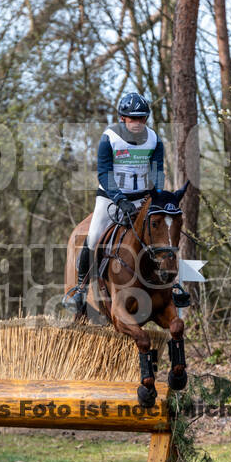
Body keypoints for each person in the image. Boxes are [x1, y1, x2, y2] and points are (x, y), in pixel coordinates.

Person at [66, 92, 165, 313]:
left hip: (142, 197)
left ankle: (171, 285)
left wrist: (157, 197)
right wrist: (120, 200)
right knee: (93, 237)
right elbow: (104, 173)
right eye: (133, 118)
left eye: (142, 118)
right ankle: (81, 288)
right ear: (122, 118)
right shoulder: (109, 138)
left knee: (161, 234)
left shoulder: (154, 139)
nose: (138, 123)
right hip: (111, 197)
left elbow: (158, 172)